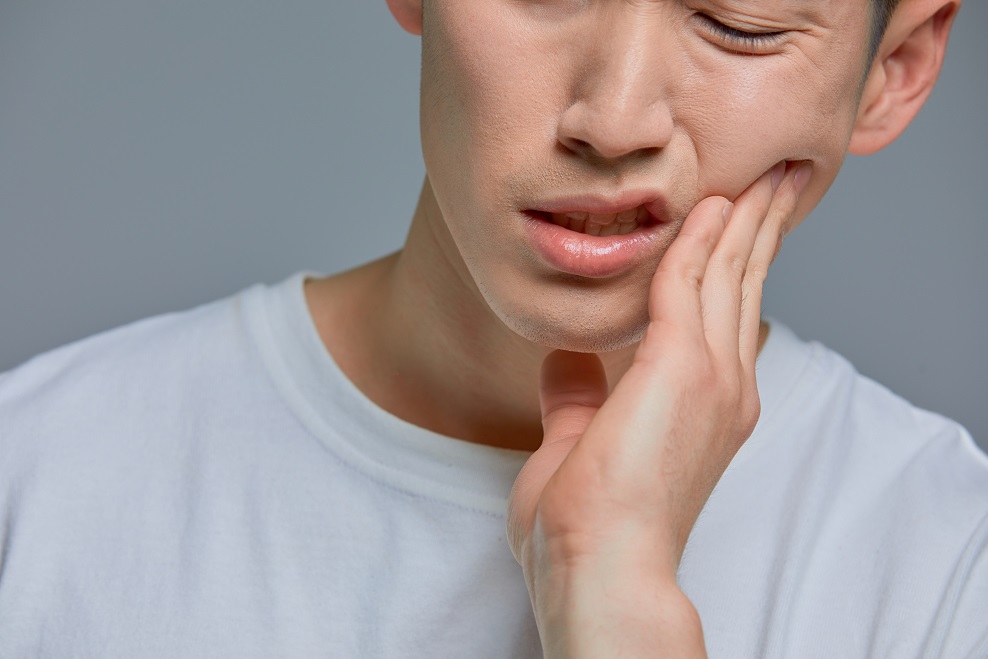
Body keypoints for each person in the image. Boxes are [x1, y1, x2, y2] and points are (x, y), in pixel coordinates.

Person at [0, 0, 984, 656]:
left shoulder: (948, 564)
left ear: (892, 68)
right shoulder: (36, 473)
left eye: (740, 22)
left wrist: (619, 606)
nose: (615, 116)